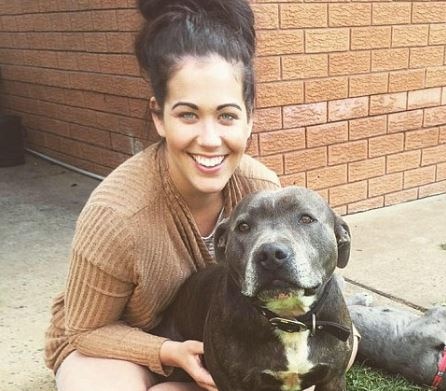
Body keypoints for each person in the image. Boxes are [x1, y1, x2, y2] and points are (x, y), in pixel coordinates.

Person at [44, 0, 280, 390]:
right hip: (110, 345)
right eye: (188, 114)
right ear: (159, 116)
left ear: (249, 117)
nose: (209, 140)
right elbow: (85, 329)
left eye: (226, 116)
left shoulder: (262, 193)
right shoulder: (117, 214)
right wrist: (167, 353)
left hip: (214, 342)